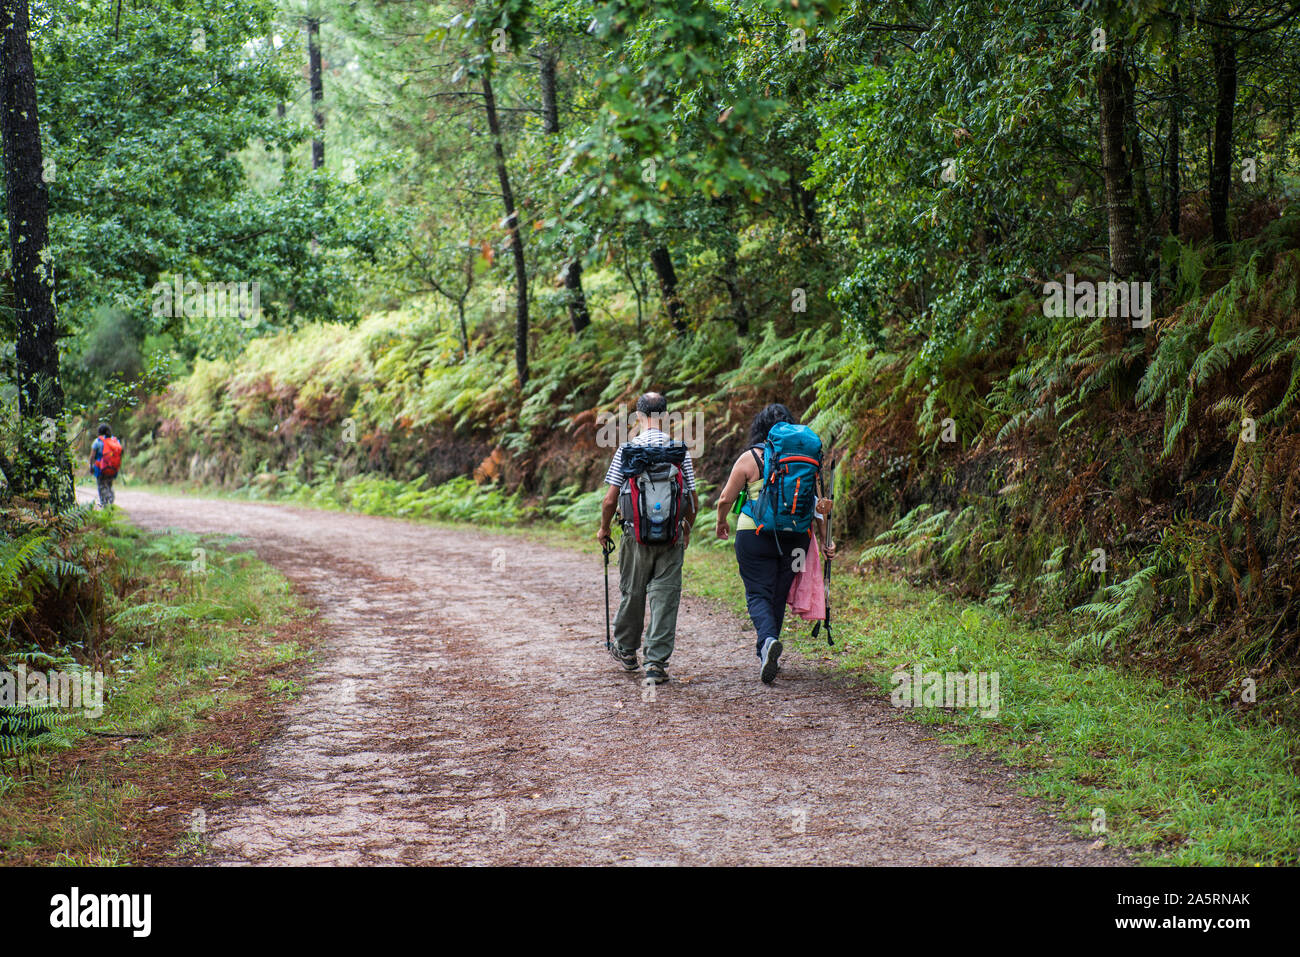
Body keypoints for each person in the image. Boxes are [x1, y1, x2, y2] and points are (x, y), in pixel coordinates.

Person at [714, 404, 835, 684]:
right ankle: (767, 648)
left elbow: (724, 500)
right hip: (796, 539)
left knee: (758, 593)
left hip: (754, 535)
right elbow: (817, 506)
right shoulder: (805, 461)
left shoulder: (750, 458)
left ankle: (767, 642)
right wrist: (825, 539)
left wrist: (721, 522)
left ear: (760, 428)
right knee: (778, 594)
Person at [597, 392, 699, 684]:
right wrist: (685, 528)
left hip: (634, 535)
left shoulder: (627, 450)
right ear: (665, 416)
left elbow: (609, 500)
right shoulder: (679, 451)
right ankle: (655, 664)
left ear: (638, 416)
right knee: (665, 597)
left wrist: (604, 529)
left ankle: (627, 652)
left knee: (633, 591)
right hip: (671, 536)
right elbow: (693, 499)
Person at [90, 423, 123, 508]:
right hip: (113, 468)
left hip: (100, 469)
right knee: (109, 485)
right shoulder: (115, 441)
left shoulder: (97, 441)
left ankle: (105, 505)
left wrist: (91, 466)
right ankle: (110, 502)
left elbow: (92, 456)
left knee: (102, 486)